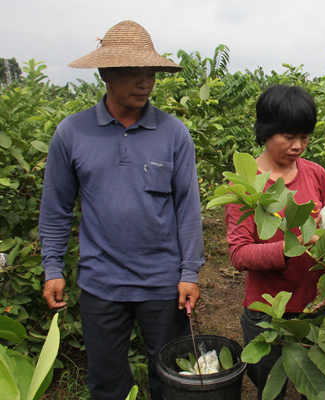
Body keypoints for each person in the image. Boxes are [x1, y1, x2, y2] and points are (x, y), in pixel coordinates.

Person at [38, 20, 204, 400]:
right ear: (105, 74)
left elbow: (187, 208)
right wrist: (52, 267)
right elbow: (56, 208)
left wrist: (189, 272)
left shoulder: (173, 133)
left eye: (151, 73)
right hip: (101, 283)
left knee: (172, 376)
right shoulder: (72, 133)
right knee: (107, 381)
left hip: (162, 283)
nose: (145, 83)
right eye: (133, 73)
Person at [225, 84, 325, 399]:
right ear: (267, 131)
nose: (298, 145)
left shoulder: (316, 174)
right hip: (269, 311)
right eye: (289, 137)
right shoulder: (246, 187)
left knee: (316, 385)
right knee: (271, 389)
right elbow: (239, 254)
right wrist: (290, 247)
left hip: (315, 303)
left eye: (305, 136)